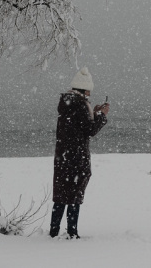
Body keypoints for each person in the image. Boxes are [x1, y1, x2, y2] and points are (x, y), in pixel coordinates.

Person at [50, 66, 109, 239]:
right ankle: (72, 232)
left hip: (62, 156)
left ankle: (53, 231)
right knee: (75, 195)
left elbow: (77, 125)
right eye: (89, 91)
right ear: (84, 89)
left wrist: (93, 113)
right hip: (77, 157)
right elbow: (90, 130)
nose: (89, 94)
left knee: (60, 196)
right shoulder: (81, 104)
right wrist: (102, 115)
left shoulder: (66, 103)